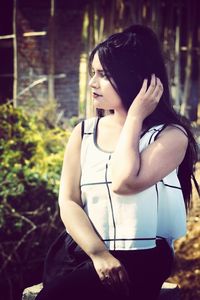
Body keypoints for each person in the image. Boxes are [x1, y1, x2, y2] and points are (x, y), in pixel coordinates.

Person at [36, 24, 199, 300]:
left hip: (139, 259)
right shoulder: (84, 131)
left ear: (134, 79)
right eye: (92, 74)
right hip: (82, 252)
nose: (92, 83)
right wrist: (98, 254)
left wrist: (134, 117)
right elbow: (68, 201)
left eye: (103, 75)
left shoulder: (172, 136)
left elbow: (125, 181)